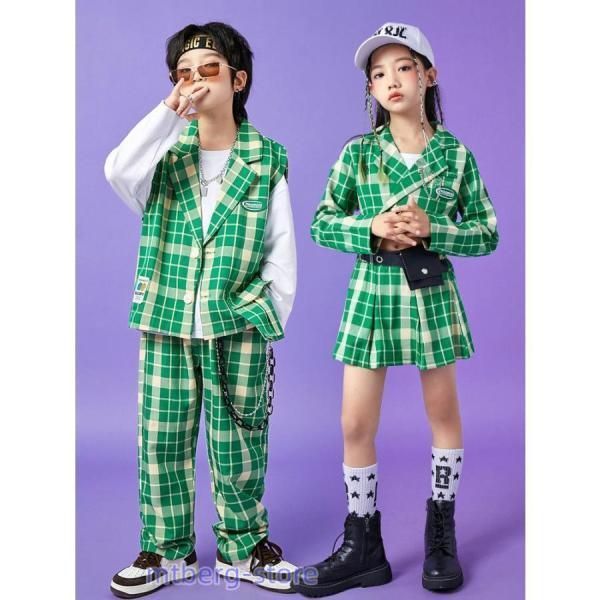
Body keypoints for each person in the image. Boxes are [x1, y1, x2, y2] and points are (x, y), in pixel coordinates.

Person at [292, 22, 499, 596]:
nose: (391, 80)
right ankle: (364, 545)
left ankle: (441, 533)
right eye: (378, 74)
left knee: (443, 415)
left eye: (403, 67)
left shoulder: (455, 155)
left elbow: (487, 233)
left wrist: (436, 230)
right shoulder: (358, 154)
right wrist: (371, 227)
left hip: (431, 292)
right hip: (372, 291)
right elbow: (321, 223)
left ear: (428, 75)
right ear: (371, 90)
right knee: (355, 423)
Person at [104, 22, 297, 597]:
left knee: (239, 443)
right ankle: (167, 550)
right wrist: (169, 110)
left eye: (208, 68)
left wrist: (263, 314)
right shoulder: (162, 156)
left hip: (236, 325)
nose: (194, 79)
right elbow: (117, 170)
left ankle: (244, 546)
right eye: (182, 72)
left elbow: (281, 250)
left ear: (238, 80)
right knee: (161, 440)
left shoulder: (266, 160)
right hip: (166, 321)